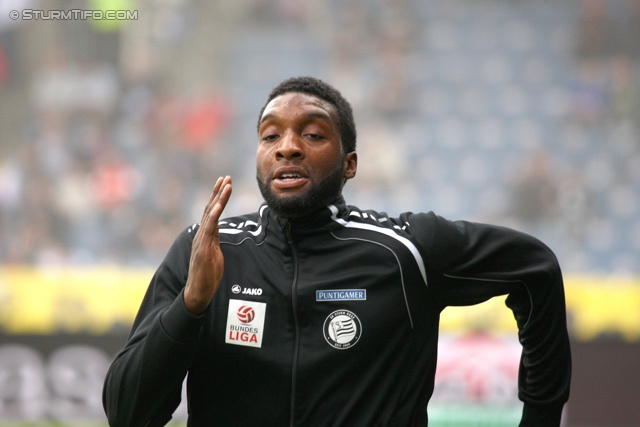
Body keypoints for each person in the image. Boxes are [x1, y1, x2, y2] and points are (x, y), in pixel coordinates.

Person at [102, 76, 571, 426]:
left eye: (312, 134)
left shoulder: (407, 251)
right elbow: (127, 413)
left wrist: (541, 416)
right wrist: (191, 305)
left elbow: (537, 269)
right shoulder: (206, 250)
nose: (287, 147)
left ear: (349, 164)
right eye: (270, 135)